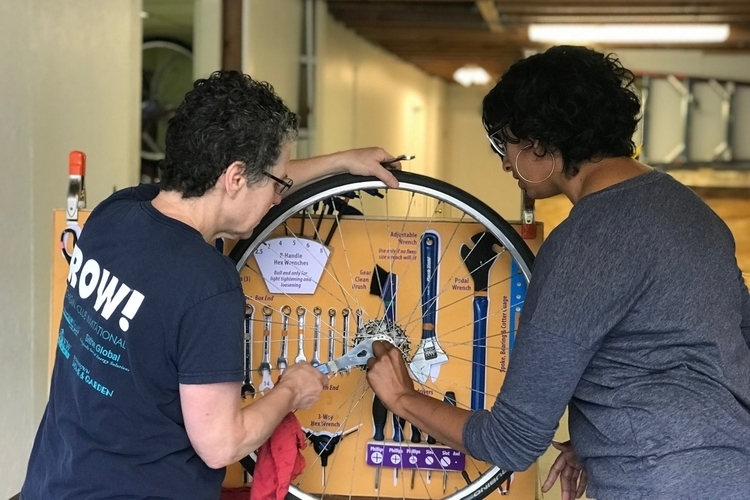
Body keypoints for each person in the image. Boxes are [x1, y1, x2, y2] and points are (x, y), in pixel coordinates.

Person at [366, 45, 750, 500]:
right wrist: (601, 439)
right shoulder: (692, 212)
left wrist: (402, 398)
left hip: (657, 483)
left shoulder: (585, 242)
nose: (505, 162)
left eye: (503, 144)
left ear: (540, 143)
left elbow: (511, 441)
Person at [22, 70, 402, 499]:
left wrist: (341, 162)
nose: (280, 197)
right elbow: (222, 444)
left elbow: (241, 183)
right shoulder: (207, 287)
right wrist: (293, 389)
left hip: (53, 481)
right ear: (236, 177)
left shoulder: (116, 213)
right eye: (277, 184)